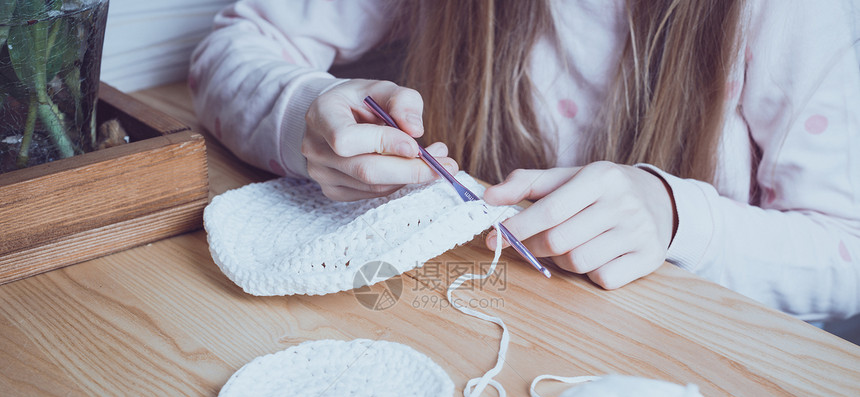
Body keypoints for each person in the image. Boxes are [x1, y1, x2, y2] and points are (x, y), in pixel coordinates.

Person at [189, 0, 860, 329]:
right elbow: (234, 46)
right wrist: (306, 112)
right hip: (472, 332)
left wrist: (679, 216)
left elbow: (847, 255)